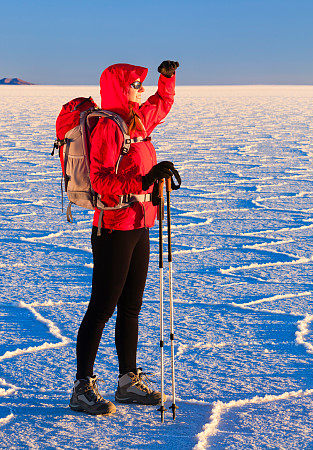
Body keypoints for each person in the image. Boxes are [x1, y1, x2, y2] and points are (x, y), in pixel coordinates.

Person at [69, 60, 181, 415]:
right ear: (120, 88)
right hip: (113, 227)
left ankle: (127, 382)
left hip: (141, 223)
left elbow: (161, 105)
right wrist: (145, 182)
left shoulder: (137, 121)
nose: (141, 91)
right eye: (136, 85)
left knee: (131, 305)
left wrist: (167, 79)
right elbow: (102, 180)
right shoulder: (108, 127)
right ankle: (82, 387)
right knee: (102, 307)